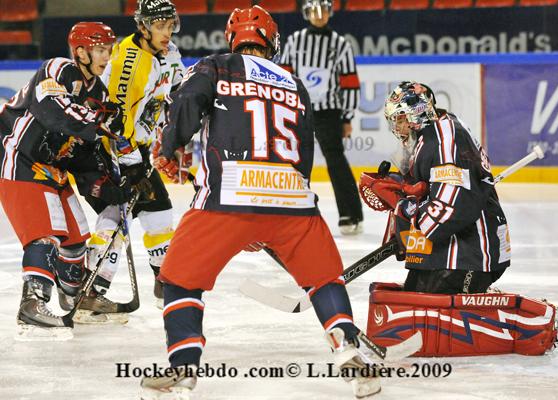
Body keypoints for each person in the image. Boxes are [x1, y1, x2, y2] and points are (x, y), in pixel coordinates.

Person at [140, 6, 381, 399]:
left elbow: (186, 104)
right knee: (325, 281)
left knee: (178, 281)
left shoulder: (216, 66)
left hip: (227, 198)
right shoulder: (293, 80)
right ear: (272, 41)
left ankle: (183, 367)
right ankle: (347, 349)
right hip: (291, 198)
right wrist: (282, 210)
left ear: (234, 39)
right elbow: (303, 150)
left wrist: (169, 148)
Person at [0, 22, 124, 340]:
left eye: (109, 49)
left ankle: (75, 301)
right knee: (45, 235)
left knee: (75, 239)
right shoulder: (59, 69)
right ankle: (33, 303)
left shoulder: (98, 92)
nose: (107, 56)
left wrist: (103, 183)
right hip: (20, 157)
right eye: (101, 49)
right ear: (80, 51)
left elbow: (81, 151)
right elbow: (50, 111)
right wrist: (97, 124)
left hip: (52, 167)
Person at [78, 0, 186, 322]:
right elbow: (114, 122)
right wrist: (132, 164)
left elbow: (176, 94)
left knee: (155, 211)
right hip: (111, 149)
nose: (166, 33)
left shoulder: (168, 52)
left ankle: (162, 284)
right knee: (119, 215)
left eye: (170, 26)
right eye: (159, 26)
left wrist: (172, 139)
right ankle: (91, 292)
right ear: (143, 27)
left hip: (138, 149)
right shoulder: (130, 63)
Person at [377, 81, 510, 294]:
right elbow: (428, 186)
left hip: (470, 254)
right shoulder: (432, 134)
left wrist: (407, 213)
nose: (397, 127)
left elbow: (452, 207)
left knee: (420, 305)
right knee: (413, 295)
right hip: (448, 251)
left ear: (416, 115)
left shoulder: (445, 139)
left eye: (400, 119)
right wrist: (398, 189)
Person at [280, 0, 363, 235]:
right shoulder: (295, 40)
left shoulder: (340, 43)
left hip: (329, 112)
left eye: (323, 10)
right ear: (307, 13)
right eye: (314, 11)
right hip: (300, 109)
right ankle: (288, 211)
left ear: (330, 12)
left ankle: (351, 213)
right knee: (291, 161)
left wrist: (347, 117)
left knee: (336, 161)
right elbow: (284, 75)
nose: (319, 15)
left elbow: (349, 82)